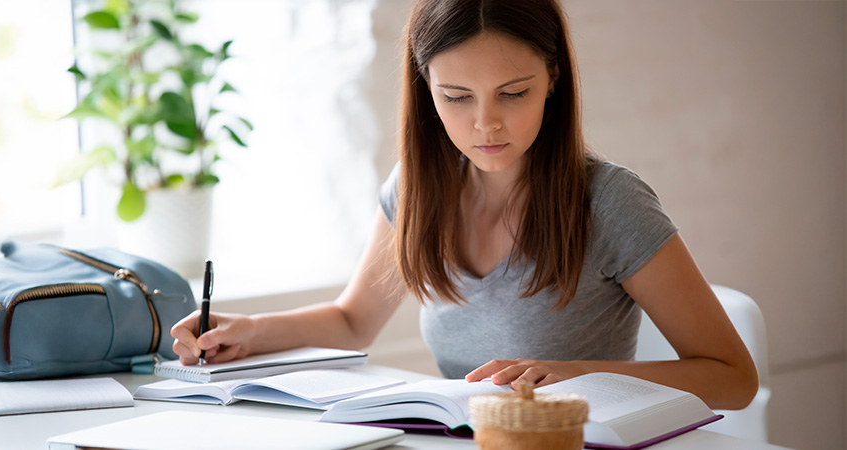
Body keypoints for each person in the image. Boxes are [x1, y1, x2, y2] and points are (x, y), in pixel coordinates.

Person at [171, 0, 758, 410]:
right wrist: (249, 331)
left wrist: (580, 377)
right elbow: (352, 323)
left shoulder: (609, 201)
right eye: (456, 97)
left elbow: (733, 378)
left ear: (553, 79)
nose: (486, 124)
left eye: (514, 93)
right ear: (426, 89)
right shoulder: (417, 188)